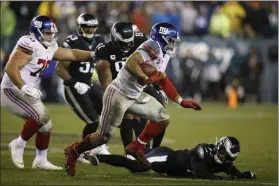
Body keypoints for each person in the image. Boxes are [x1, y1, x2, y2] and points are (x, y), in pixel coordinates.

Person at [64, 22, 201, 177]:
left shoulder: (164, 53)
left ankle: (135, 147)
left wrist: (181, 101)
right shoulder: (149, 48)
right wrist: (144, 77)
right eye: (170, 40)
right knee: (102, 137)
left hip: (135, 95)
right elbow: (131, 63)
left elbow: (162, 78)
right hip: (118, 95)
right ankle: (74, 150)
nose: (173, 44)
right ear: (160, 39)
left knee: (163, 118)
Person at [1, 15, 96, 170]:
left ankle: (40, 160)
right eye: (47, 33)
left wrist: (93, 54)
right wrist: (24, 87)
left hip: (28, 92)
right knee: (41, 116)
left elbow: (71, 54)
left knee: (46, 126)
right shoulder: (29, 43)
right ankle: (18, 144)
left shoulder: (50, 46)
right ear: (36, 31)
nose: (50, 36)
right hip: (12, 89)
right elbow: (10, 68)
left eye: (52, 33)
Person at [56, 13, 110, 164]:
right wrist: (74, 83)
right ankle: (80, 151)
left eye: (93, 26)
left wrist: (106, 86)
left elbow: (102, 66)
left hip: (89, 85)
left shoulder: (99, 40)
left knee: (108, 113)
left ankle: (98, 146)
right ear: (79, 27)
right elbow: (60, 69)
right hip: (73, 87)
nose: (90, 29)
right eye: (86, 27)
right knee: (93, 121)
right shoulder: (72, 42)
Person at [86, 136, 256, 180]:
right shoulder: (203, 150)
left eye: (227, 156)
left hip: (170, 158)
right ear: (218, 148)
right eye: (223, 153)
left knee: (139, 161)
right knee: (139, 167)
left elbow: (228, 168)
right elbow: (200, 172)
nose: (223, 158)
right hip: (165, 159)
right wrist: (222, 179)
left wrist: (241, 175)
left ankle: (137, 151)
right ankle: (98, 156)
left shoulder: (220, 159)